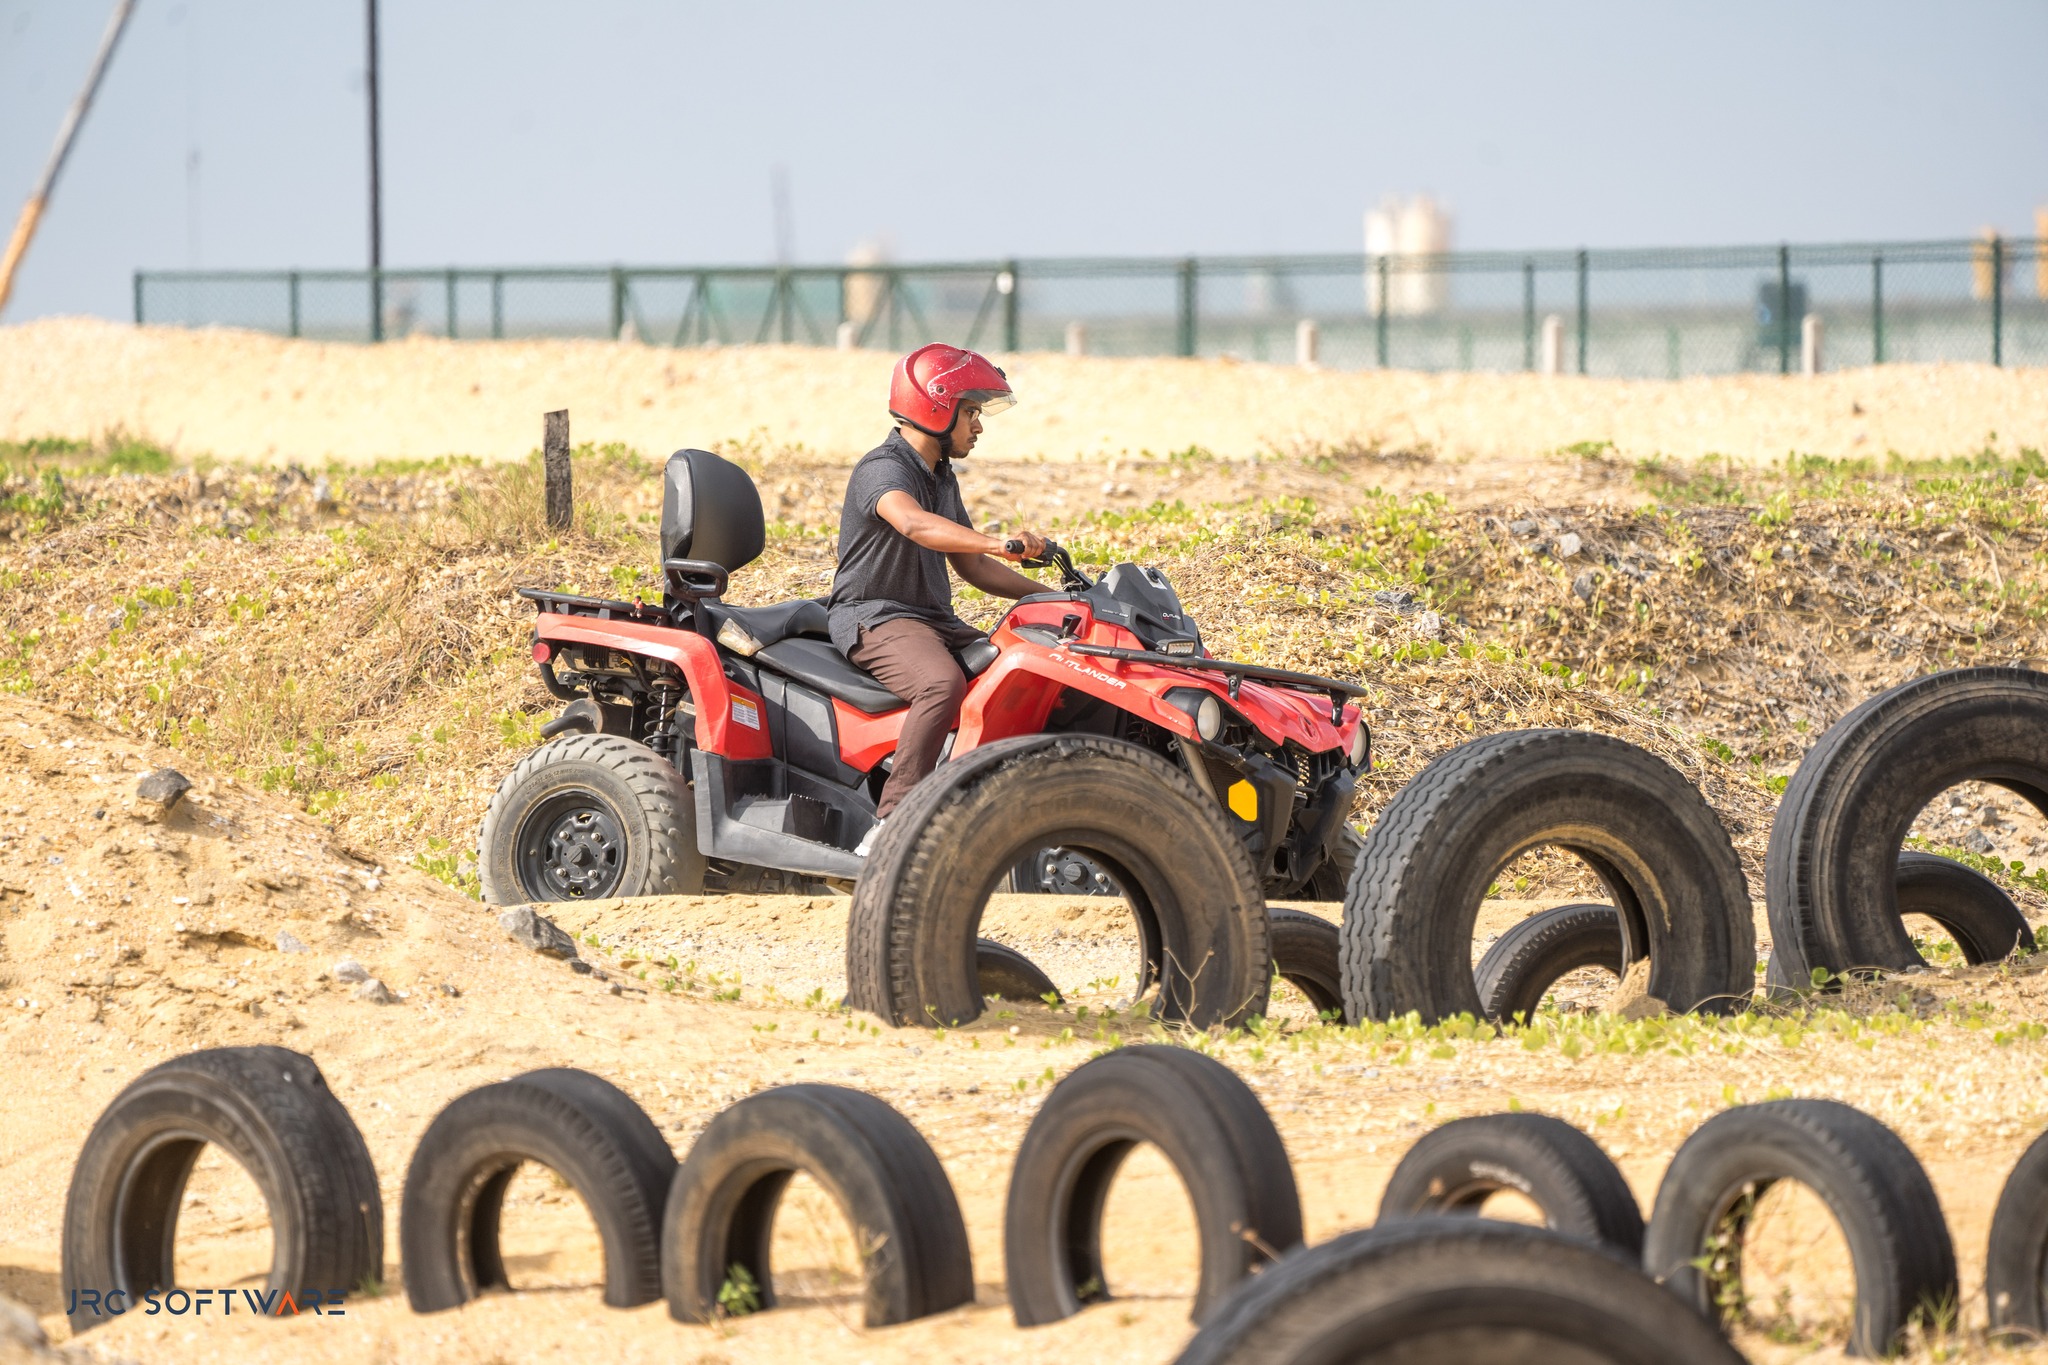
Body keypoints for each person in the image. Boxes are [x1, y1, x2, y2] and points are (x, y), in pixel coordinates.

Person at [828, 343, 1048, 853]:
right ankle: (893, 823)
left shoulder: (941, 476)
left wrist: (1058, 598)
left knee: (1017, 668)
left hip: (930, 619)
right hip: (874, 615)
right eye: (971, 411)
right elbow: (912, 523)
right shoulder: (883, 468)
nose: (978, 426)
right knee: (940, 682)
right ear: (937, 405)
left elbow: (971, 566)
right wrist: (998, 540)